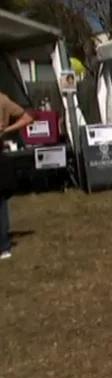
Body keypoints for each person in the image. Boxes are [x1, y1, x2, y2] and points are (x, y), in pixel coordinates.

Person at [0, 91, 34, 260]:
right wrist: (6, 130)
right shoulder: (3, 99)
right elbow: (27, 117)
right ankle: (4, 246)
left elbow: (28, 117)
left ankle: (4, 245)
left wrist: (6, 129)